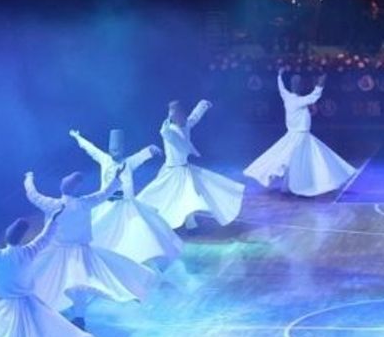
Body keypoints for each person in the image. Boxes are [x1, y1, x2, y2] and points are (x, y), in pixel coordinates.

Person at [25, 168, 158, 329]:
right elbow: (105, 193)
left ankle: (59, 311)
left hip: (62, 250)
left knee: (51, 276)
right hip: (78, 251)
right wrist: (116, 180)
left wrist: (29, 178)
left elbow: (32, 195)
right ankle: (77, 314)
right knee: (79, 283)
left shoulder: (53, 204)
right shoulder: (84, 203)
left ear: (62, 188)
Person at [70, 128, 183, 267]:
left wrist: (150, 150)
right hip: (107, 204)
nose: (115, 152)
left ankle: (137, 257)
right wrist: (78, 137)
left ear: (123, 149)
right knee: (101, 229)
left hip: (126, 205)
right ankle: (102, 258)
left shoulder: (128, 163)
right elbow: (91, 149)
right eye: (113, 149)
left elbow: (140, 156)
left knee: (135, 230)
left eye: (118, 149)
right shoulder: (104, 159)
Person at [245, 69, 357, 197]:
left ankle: (298, 184)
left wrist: (279, 76)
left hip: (299, 136)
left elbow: (281, 88)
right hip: (299, 137)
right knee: (300, 160)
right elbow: (314, 96)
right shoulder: (299, 101)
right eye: (296, 82)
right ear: (295, 85)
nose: (297, 84)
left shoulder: (287, 97)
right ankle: (302, 185)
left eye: (298, 82)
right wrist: (321, 83)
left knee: (305, 159)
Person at [137, 99, 245, 231]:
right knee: (163, 195)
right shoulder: (170, 131)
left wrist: (203, 105)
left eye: (181, 114)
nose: (181, 118)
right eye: (176, 115)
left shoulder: (186, 124)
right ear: (173, 117)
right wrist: (170, 116)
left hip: (184, 169)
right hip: (172, 171)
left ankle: (191, 225)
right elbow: (164, 131)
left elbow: (194, 117)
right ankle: (157, 218)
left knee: (188, 196)